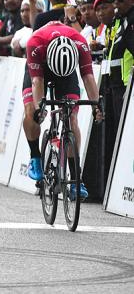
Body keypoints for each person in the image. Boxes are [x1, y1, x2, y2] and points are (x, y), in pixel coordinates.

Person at [22, 21, 102, 199]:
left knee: (72, 117)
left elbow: (88, 77)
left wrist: (96, 105)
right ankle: (35, 156)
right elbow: (37, 82)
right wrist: (39, 108)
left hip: (66, 71)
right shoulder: (34, 43)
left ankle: (75, 178)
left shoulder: (80, 43)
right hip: (39, 69)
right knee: (30, 112)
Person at [104, 0, 134, 134]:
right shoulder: (120, 20)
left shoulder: (132, 20)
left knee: (125, 131)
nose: (116, 3)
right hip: (115, 84)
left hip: (127, 84)